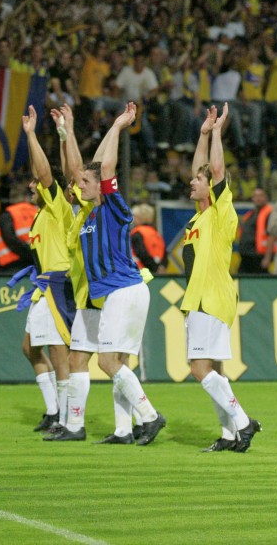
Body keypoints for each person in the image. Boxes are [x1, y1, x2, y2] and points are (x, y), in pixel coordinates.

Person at [53, 101, 166, 445]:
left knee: (106, 362)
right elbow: (84, 169)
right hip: (113, 292)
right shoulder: (87, 214)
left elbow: (105, 168)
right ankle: (123, 430)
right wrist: (67, 133)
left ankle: (149, 416)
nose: (79, 185)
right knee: (111, 361)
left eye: (86, 182)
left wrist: (117, 127)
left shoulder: (113, 208)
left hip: (124, 289)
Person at [182, 103, 261, 453]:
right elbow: (202, 167)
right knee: (213, 369)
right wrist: (202, 133)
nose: (192, 181)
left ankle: (243, 423)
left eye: (197, 180)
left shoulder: (220, 211)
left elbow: (213, 169)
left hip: (211, 298)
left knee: (199, 368)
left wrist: (216, 133)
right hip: (202, 298)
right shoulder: (198, 219)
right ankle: (230, 434)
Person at [19, 105, 75, 434]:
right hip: (42, 285)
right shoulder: (40, 216)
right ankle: (54, 410)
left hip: (57, 282)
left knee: (58, 351)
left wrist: (30, 134)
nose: (32, 186)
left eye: (35, 183)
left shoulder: (58, 207)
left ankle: (67, 417)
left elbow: (43, 173)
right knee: (30, 348)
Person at [236, 187, 273, 274]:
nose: (258, 198)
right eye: (255, 196)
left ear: (266, 197)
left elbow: (272, 235)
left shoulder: (269, 213)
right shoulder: (250, 214)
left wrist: (267, 258)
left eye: (261, 195)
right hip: (246, 256)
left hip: (258, 257)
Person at [130, 203, 166, 273]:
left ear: (140, 217)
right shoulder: (156, 233)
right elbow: (165, 253)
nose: (133, 219)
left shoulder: (137, 233)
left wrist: (154, 268)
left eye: (135, 216)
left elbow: (141, 253)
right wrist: (161, 267)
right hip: (158, 273)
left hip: (141, 272)